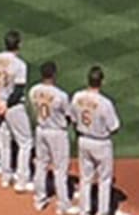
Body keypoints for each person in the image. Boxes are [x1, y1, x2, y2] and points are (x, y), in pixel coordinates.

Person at [72, 65, 121, 215]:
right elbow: (114, 127)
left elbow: (73, 119)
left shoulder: (77, 97)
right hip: (101, 143)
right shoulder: (105, 103)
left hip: (83, 140)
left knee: (85, 178)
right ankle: (102, 211)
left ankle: (84, 210)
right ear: (101, 82)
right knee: (104, 179)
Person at [0, 30, 33, 191]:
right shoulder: (19, 65)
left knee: (4, 140)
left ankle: (5, 176)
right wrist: (5, 105)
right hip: (12, 107)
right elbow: (18, 91)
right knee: (26, 142)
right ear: (18, 45)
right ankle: (22, 180)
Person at [29, 61, 73, 213]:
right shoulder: (61, 95)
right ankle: (63, 205)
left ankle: (39, 199)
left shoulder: (33, 90)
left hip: (41, 129)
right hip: (57, 133)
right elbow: (69, 117)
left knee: (41, 164)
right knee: (60, 169)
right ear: (54, 74)